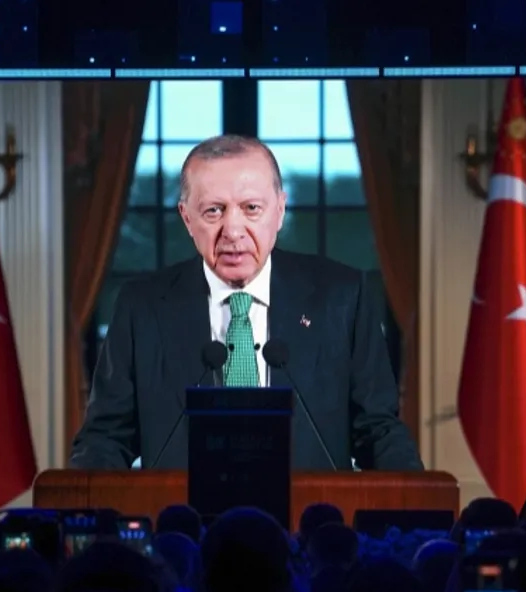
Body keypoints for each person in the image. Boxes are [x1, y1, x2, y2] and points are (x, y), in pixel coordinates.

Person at [70, 134, 422, 472]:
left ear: (280, 211)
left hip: (309, 511)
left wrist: (418, 496)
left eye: (251, 208)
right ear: (187, 218)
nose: (233, 231)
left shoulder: (342, 298)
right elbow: (106, 439)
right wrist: (78, 498)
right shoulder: (142, 307)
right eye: (213, 211)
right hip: (183, 512)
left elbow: (378, 430)